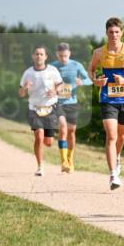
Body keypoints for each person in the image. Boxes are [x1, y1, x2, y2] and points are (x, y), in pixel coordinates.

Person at [90, 18, 124, 189]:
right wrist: (95, 81)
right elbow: (91, 70)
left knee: (121, 136)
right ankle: (113, 174)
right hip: (107, 99)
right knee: (111, 135)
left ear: (121, 33)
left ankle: (118, 156)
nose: (114, 35)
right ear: (106, 33)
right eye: (111, 32)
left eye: (117, 32)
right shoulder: (99, 52)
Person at [19, 46, 67, 176]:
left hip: (50, 108)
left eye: (41, 54)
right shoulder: (28, 73)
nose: (39, 56)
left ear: (45, 57)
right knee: (39, 135)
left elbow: (61, 85)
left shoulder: (52, 70)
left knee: (49, 142)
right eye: (36, 54)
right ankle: (40, 166)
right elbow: (21, 93)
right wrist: (25, 87)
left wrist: (55, 91)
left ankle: (44, 147)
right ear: (33, 56)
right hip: (34, 109)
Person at [51, 42, 91, 172]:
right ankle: (63, 162)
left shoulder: (76, 65)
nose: (63, 59)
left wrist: (82, 82)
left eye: (65, 56)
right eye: (61, 56)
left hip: (72, 103)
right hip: (57, 103)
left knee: (72, 132)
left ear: (70, 54)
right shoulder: (52, 67)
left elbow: (89, 79)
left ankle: (70, 159)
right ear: (57, 54)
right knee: (63, 129)